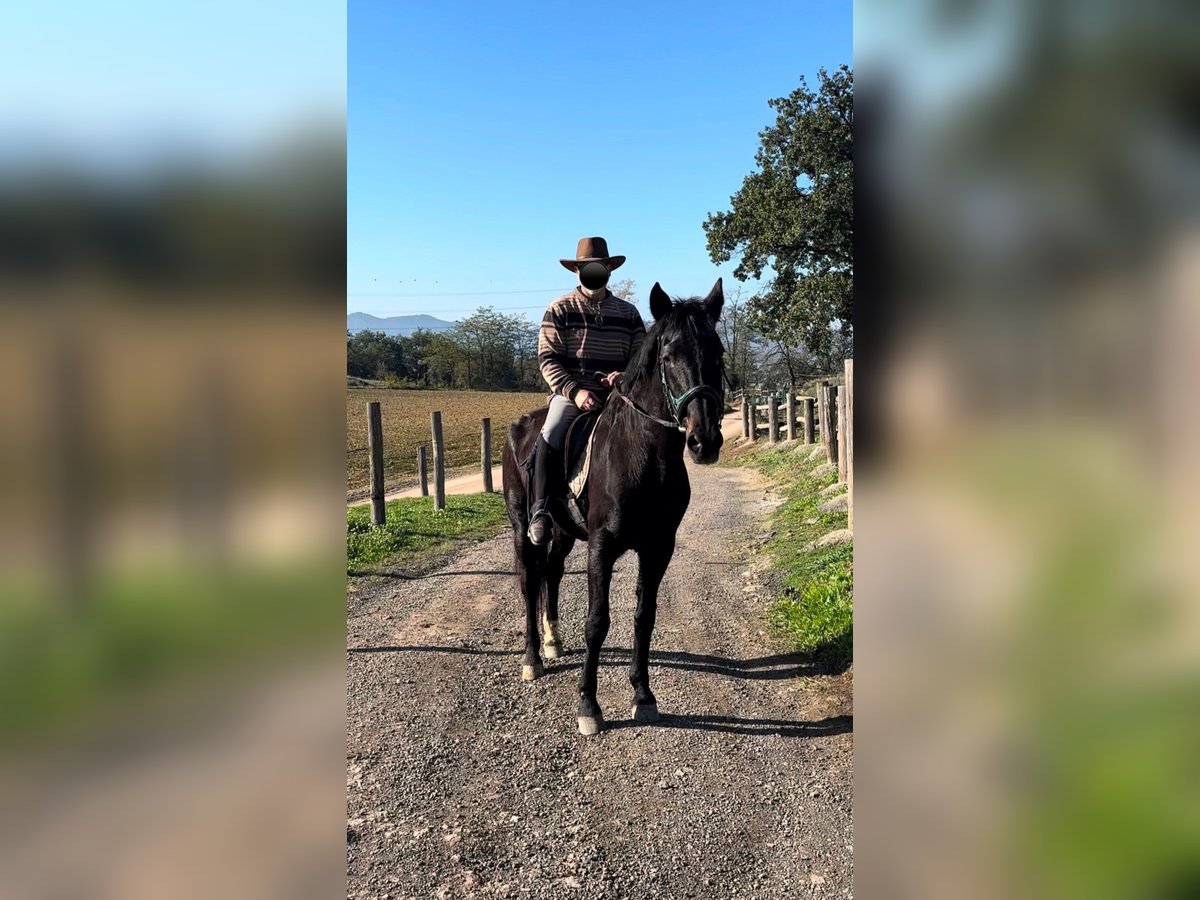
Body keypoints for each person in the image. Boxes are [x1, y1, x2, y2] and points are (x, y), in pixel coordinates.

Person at [527, 236, 646, 545]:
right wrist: (575, 392)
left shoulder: (629, 313)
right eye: (586, 267)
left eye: (599, 267)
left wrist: (624, 376)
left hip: (619, 396)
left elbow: (640, 359)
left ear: (608, 269)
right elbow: (548, 358)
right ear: (577, 270)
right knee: (551, 432)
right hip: (572, 395)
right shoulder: (559, 309)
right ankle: (541, 510)